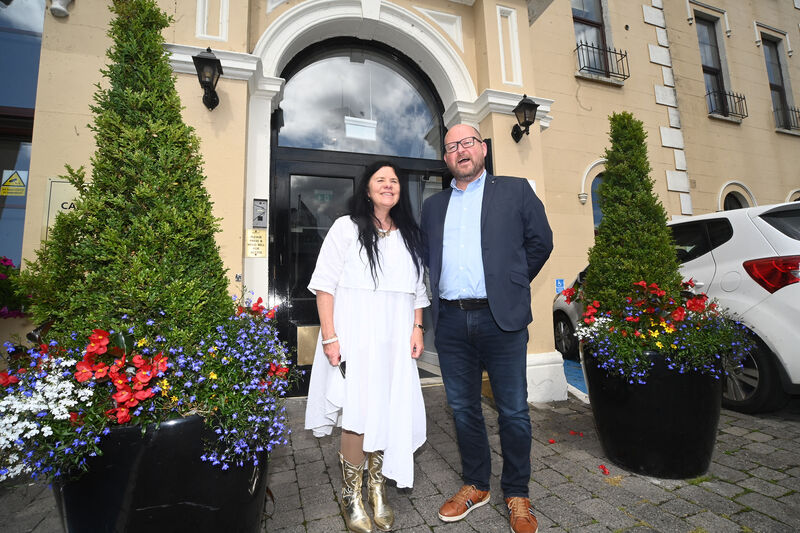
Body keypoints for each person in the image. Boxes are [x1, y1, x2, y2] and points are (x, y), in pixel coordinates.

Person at [420, 124, 553, 533]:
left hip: (502, 319)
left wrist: (509, 284)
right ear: (445, 158)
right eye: (452, 146)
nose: (461, 151)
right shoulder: (433, 206)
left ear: (483, 149)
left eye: (467, 143)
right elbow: (428, 260)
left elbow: (541, 243)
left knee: (513, 411)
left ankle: (517, 492)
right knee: (462, 408)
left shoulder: (514, 190)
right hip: (452, 321)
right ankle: (477, 484)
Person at [305, 161, 429, 533]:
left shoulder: (409, 233)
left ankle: (377, 487)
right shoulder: (345, 228)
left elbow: (417, 289)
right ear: (367, 188)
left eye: (394, 181)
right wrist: (329, 337)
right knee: (357, 412)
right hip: (355, 334)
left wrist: (417, 327)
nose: (389, 185)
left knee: (388, 408)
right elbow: (325, 285)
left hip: (395, 337)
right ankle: (351, 494)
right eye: (381, 180)